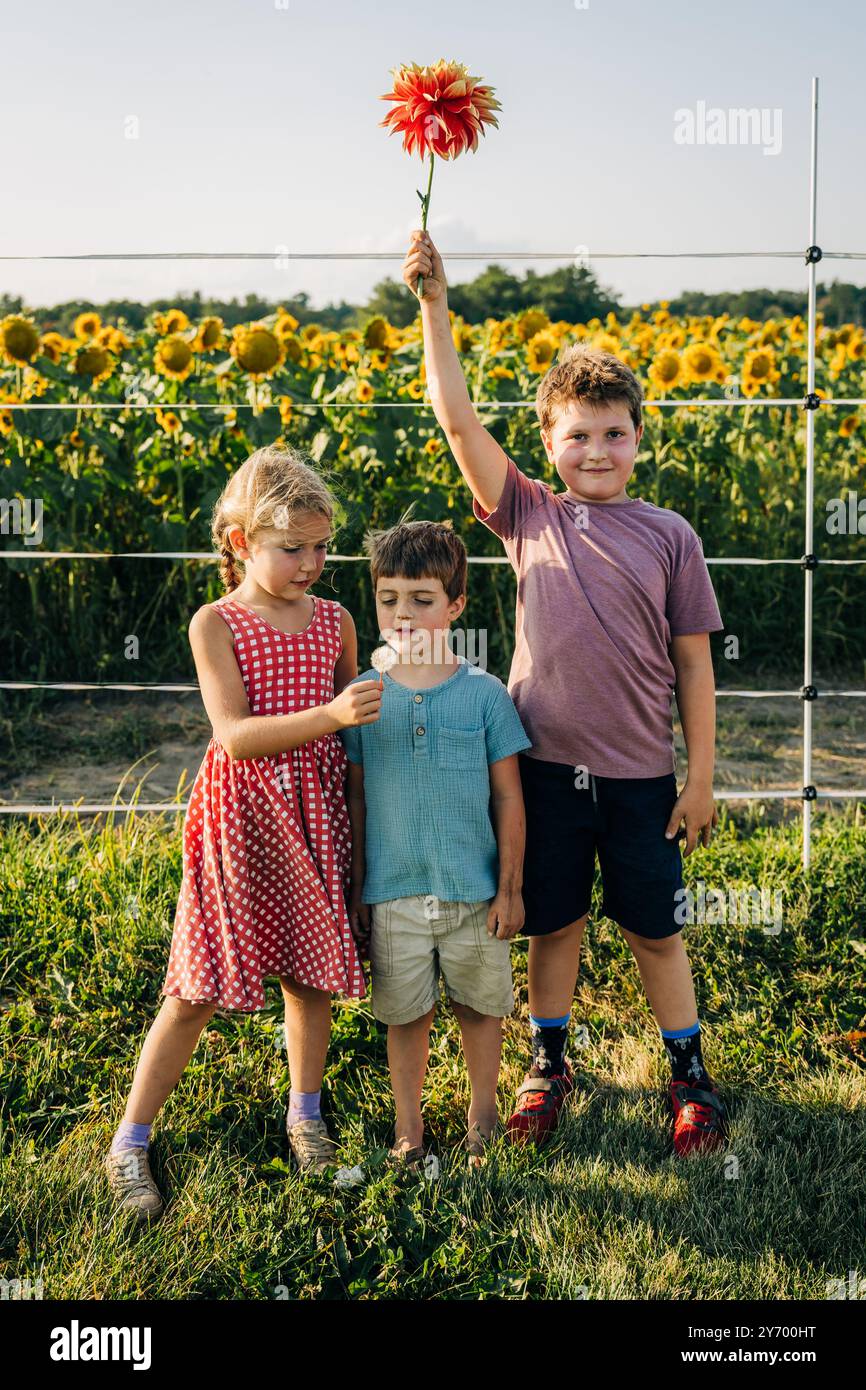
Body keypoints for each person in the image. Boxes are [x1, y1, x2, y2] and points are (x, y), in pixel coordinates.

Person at [402, 230, 728, 1157]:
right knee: (555, 925)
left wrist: (699, 779)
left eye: (614, 433)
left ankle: (687, 1071)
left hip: (638, 779)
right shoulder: (526, 513)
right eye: (575, 434)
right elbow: (458, 421)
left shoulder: (671, 537)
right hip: (541, 773)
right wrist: (436, 308)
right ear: (547, 442)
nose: (595, 448)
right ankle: (550, 1062)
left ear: (639, 439)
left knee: (656, 932)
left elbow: (696, 667)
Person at [104, 445, 382, 1219]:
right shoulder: (215, 623)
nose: (311, 563)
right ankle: (130, 1140)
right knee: (193, 989)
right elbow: (233, 735)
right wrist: (328, 717)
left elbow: (353, 741)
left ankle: (306, 1116)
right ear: (240, 543)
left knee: (308, 978)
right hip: (242, 821)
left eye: (322, 546)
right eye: (292, 547)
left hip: (317, 816)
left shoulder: (335, 620)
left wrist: (361, 845)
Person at [339, 518, 532, 1169]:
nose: (403, 614)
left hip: (474, 893)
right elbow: (358, 798)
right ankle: (409, 1127)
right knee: (406, 1015)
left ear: (455, 605)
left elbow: (509, 798)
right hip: (393, 892)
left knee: (480, 1007)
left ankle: (483, 1117)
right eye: (389, 598)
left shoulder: (485, 697)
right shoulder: (363, 699)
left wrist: (509, 888)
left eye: (422, 599)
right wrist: (361, 885)